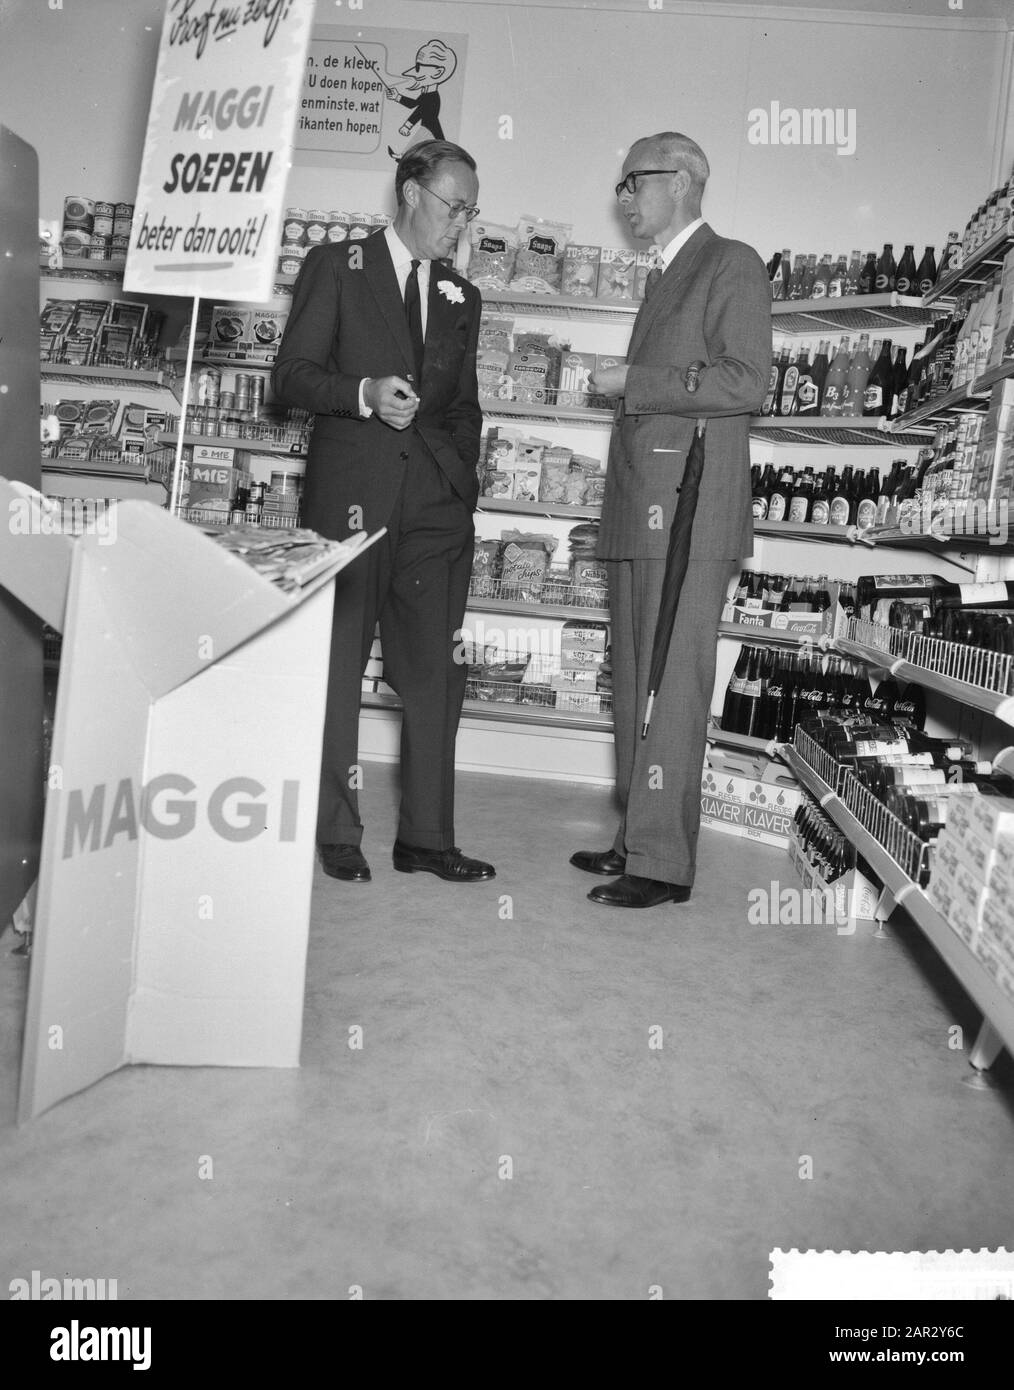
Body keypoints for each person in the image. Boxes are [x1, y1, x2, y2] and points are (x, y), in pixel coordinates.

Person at [271, 140, 494, 885]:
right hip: (352, 503)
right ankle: (337, 828)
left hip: (435, 511)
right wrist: (363, 394)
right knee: (337, 666)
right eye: (451, 205)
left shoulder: (463, 295)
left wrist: (460, 477)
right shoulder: (338, 267)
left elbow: (465, 406)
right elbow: (293, 377)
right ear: (408, 191)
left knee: (436, 672)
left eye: (469, 210)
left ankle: (426, 839)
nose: (460, 223)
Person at [571, 131, 771, 909]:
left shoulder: (733, 262)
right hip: (645, 507)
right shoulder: (664, 273)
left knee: (673, 686)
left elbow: (744, 381)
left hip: (688, 504)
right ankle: (637, 836)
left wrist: (635, 381)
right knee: (634, 683)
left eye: (634, 182)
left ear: (682, 182)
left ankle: (661, 863)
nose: (624, 197)